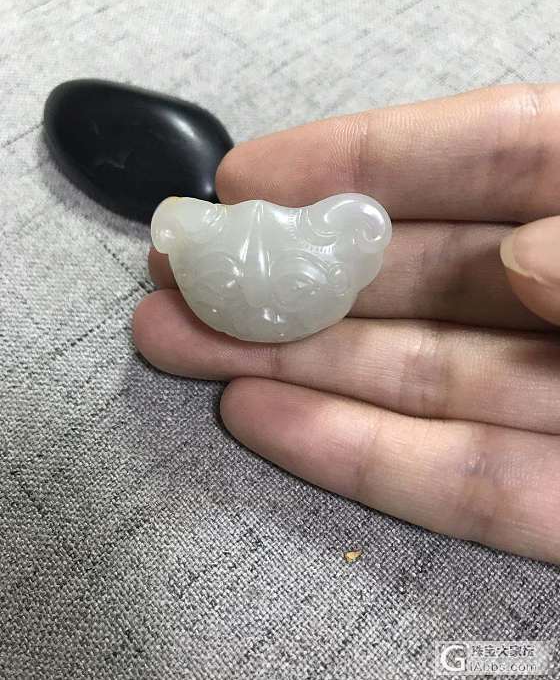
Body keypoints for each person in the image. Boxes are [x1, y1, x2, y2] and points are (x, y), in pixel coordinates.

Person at [133, 83, 560, 564]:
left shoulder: (341, 234)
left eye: (298, 288)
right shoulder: (202, 233)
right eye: (220, 285)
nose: (266, 315)